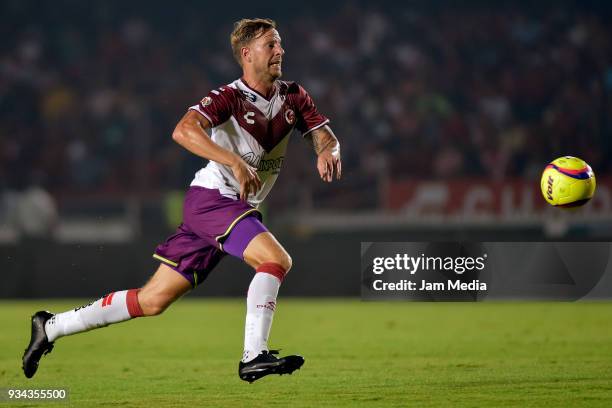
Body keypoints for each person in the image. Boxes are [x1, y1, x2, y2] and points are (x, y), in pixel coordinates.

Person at [22, 18, 341, 383]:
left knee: (151, 301)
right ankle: (254, 355)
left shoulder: (294, 96)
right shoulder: (228, 97)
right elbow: (183, 130)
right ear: (247, 54)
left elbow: (324, 135)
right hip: (212, 200)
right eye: (271, 45)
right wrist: (233, 160)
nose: (280, 51)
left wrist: (329, 150)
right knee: (275, 260)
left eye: (280, 44)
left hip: (228, 209)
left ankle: (51, 326)